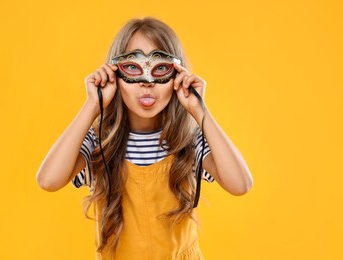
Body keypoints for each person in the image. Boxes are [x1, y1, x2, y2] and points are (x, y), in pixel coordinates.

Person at [36, 16, 253, 259]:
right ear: (114, 74)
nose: (147, 83)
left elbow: (241, 185)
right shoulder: (100, 141)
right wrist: (92, 106)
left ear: (178, 75)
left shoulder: (188, 141)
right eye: (133, 67)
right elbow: (48, 180)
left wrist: (200, 110)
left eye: (161, 68)